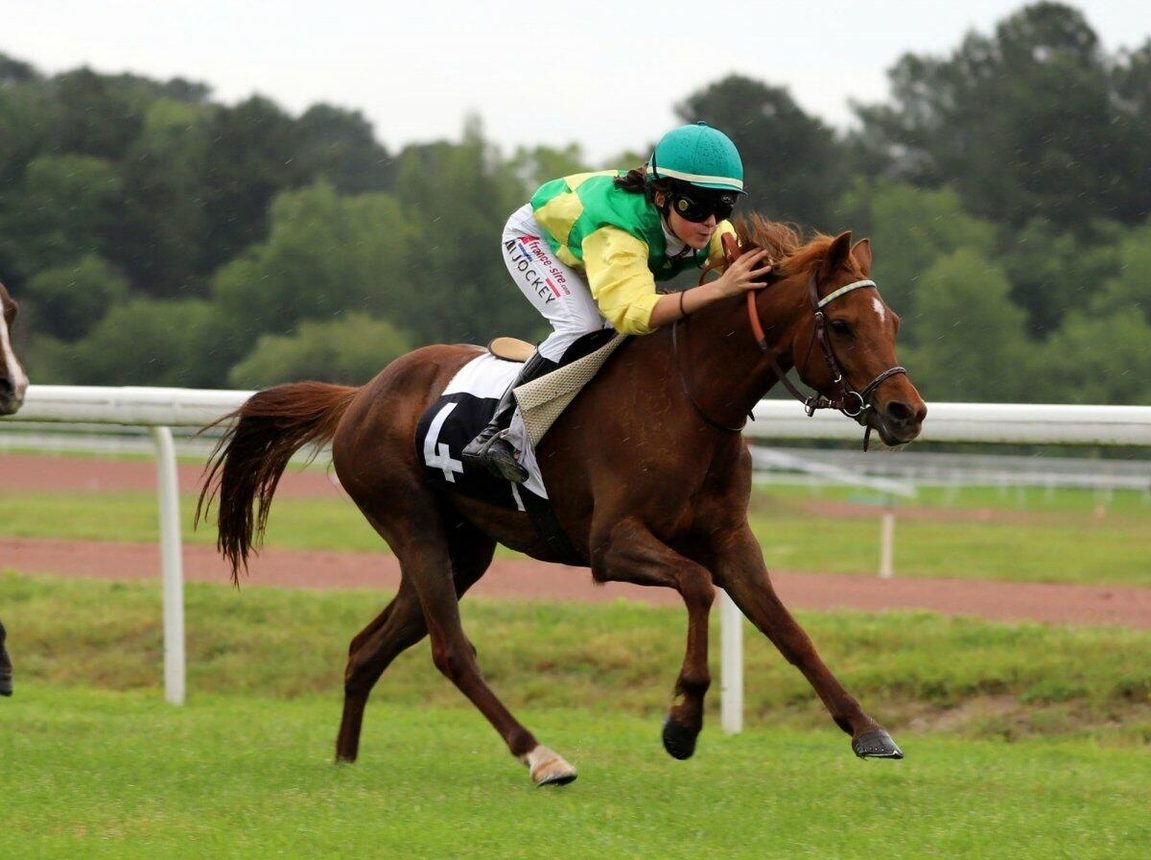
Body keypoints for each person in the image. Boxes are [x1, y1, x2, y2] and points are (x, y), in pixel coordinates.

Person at [462, 122, 774, 483]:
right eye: (696, 207)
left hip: (592, 247)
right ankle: (501, 432)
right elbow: (634, 313)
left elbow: (751, 278)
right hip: (538, 239)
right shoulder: (619, 231)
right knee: (584, 325)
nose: (709, 223)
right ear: (662, 197)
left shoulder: (711, 227)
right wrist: (717, 290)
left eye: (722, 208)